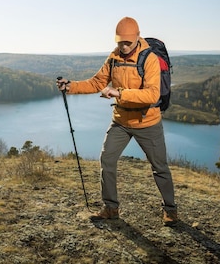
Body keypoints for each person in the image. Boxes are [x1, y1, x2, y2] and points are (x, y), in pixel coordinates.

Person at [56, 16, 178, 226]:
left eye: (127, 42)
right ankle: (111, 208)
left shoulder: (148, 59)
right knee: (107, 160)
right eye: (120, 42)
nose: (123, 46)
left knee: (159, 167)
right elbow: (97, 82)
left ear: (137, 37)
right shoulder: (114, 57)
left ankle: (170, 210)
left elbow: (152, 95)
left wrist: (119, 92)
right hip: (121, 121)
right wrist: (71, 86)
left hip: (147, 122)